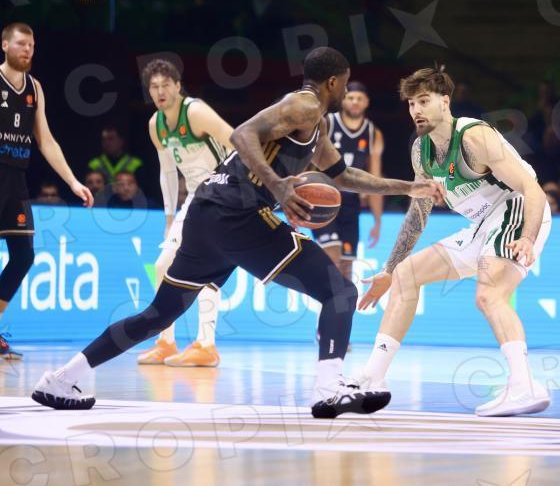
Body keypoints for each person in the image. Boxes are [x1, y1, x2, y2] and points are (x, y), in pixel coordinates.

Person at [30, 47, 442, 415]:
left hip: (206, 215)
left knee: (157, 316)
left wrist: (408, 187)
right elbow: (243, 134)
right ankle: (328, 388)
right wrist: (277, 185)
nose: (346, 90)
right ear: (333, 82)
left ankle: (64, 378)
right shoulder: (303, 104)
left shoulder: (316, 126)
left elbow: (342, 175)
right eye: (346, 83)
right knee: (340, 292)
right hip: (238, 214)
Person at [355, 65, 553, 418]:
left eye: (424, 101)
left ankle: (524, 386)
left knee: (489, 294)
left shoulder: (474, 137)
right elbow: (418, 215)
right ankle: (373, 377)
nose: (416, 110)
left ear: (445, 102)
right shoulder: (421, 151)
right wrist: (388, 269)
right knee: (406, 275)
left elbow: (531, 188)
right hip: (484, 223)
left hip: (517, 209)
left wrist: (527, 237)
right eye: (411, 103)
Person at [0, 22, 93, 359]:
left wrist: (73, 181)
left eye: (32, 45)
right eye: (21, 43)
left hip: (16, 179)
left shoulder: (35, 88)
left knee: (24, 257)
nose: (27, 50)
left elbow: (47, 141)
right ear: (5, 45)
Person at [135, 58, 234, 368]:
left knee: (208, 268)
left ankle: (206, 345)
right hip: (194, 197)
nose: (160, 91)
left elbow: (236, 141)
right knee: (162, 264)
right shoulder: (156, 125)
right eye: (154, 87)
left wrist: (241, 188)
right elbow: (167, 172)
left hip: (222, 193)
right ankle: (166, 341)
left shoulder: (195, 112)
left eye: (166, 85)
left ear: (178, 86)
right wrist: (169, 218)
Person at [316, 81, 384, 280]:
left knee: (347, 268)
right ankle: (326, 293)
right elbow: (307, 160)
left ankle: (338, 299)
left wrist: (377, 220)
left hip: (350, 204)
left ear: (366, 102)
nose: (355, 102)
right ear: (343, 100)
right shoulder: (327, 122)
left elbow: (375, 179)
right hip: (323, 198)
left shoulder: (373, 133)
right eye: (350, 97)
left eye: (359, 98)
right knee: (333, 254)